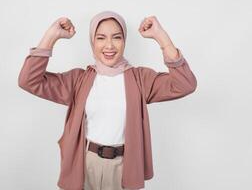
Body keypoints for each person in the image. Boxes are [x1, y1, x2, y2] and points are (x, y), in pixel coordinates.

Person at [18, 10, 197, 190]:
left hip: (123, 168)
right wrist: (51, 36)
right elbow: (29, 81)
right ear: (92, 41)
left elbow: (185, 84)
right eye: (101, 38)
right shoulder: (79, 80)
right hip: (85, 165)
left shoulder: (140, 79)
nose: (109, 46)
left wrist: (161, 37)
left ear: (124, 41)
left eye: (117, 38)